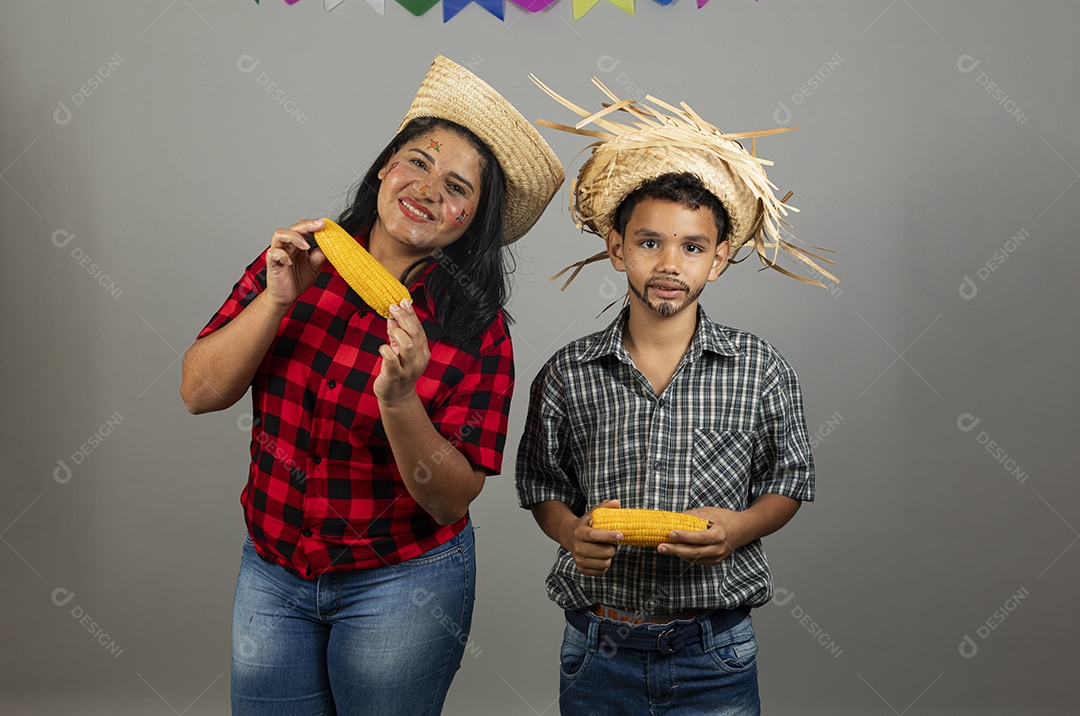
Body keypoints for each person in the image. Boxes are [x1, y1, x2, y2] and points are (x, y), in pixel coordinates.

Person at [180, 55, 562, 716]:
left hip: (402, 584)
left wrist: (399, 399)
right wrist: (275, 303)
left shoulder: (476, 330)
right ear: (386, 166)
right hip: (272, 572)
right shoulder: (298, 259)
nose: (427, 189)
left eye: (457, 187)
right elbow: (199, 392)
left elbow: (450, 499)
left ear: (473, 218)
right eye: (417, 160)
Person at [516, 78, 837, 715]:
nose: (670, 263)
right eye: (649, 241)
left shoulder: (759, 368)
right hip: (599, 641)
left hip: (713, 646)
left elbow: (791, 478)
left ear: (718, 259)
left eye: (692, 247)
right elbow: (541, 484)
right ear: (616, 248)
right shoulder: (568, 372)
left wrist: (741, 526)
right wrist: (571, 531)